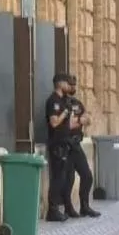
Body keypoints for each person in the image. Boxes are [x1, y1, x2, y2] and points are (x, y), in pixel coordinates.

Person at [63, 82, 101, 219]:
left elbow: (89, 119)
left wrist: (79, 120)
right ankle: (68, 208)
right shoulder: (60, 103)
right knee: (69, 179)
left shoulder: (77, 103)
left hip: (76, 145)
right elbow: (67, 124)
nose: (74, 87)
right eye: (71, 84)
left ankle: (85, 206)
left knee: (87, 175)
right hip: (65, 145)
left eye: (74, 84)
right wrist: (81, 120)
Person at [44, 73, 76, 222]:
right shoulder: (53, 101)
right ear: (59, 83)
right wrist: (64, 112)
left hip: (65, 143)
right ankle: (52, 209)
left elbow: (67, 124)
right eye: (66, 83)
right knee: (57, 178)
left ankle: (60, 207)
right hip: (56, 144)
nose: (68, 86)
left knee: (64, 177)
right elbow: (54, 123)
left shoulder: (63, 101)